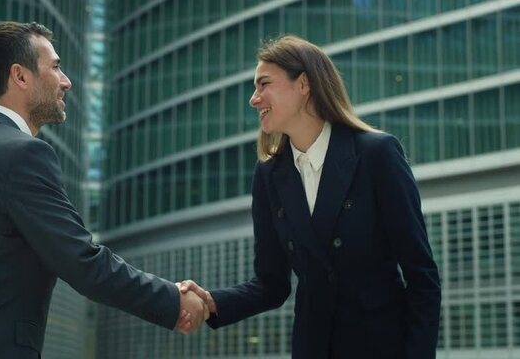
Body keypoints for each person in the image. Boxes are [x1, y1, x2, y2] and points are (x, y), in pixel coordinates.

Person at [0, 21, 206, 359]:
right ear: (20, 76)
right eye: (55, 67)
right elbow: (82, 261)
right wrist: (171, 299)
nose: (67, 82)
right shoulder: (21, 154)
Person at [180, 35, 441, 359]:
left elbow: (422, 279)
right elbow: (271, 285)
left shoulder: (376, 155)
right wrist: (211, 302)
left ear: (303, 84)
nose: (254, 99)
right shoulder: (269, 175)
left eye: (263, 85)